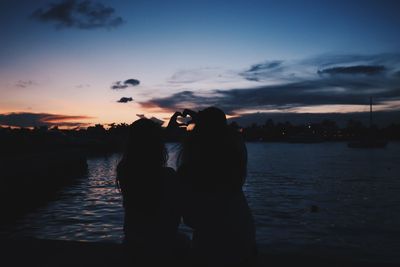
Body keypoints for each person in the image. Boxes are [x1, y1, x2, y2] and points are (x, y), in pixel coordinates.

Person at [174, 107, 257, 267]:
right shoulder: (234, 164)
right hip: (245, 242)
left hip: (211, 250)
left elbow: (191, 220)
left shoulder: (189, 171)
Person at [116, 118, 186, 263]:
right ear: (158, 146)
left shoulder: (125, 172)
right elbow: (178, 216)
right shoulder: (168, 176)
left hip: (133, 243)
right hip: (161, 248)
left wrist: (167, 130)